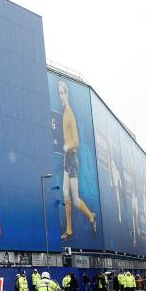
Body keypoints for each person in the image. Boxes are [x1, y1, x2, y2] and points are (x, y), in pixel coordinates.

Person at [58, 81, 98, 240]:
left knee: (75, 199)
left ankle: (91, 216)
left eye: (62, 93)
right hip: (66, 159)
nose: (61, 96)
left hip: (72, 159)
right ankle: (69, 230)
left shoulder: (70, 114)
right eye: (59, 93)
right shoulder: (64, 112)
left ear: (67, 94)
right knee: (64, 194)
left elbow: (77, 141)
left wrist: (67, 146)